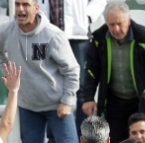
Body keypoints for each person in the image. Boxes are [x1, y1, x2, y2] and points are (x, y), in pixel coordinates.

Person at [0, 0, 80, 143]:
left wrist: (67, 100)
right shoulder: (5, 31)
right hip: (28, 107)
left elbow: (72, 70)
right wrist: (9, 73)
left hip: (57, 106)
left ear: (36, 8)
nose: (20, 9)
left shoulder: (53, 35)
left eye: (25, 4)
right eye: (17, 4)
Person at [82, 2, 145, 143]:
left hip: (142, 102)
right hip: (114, 103)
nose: (115, 29)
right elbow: (91, 72)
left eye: (119, 24)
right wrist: (88, 98)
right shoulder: (98, 38)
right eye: (111, 24)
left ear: (128, 20)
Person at [36, 0, 107, 136]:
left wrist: (87, 17)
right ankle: (53, 140)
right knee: (48, 86)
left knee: (81, 88)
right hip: (43, 36)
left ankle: (83, 137)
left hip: (77, 36)